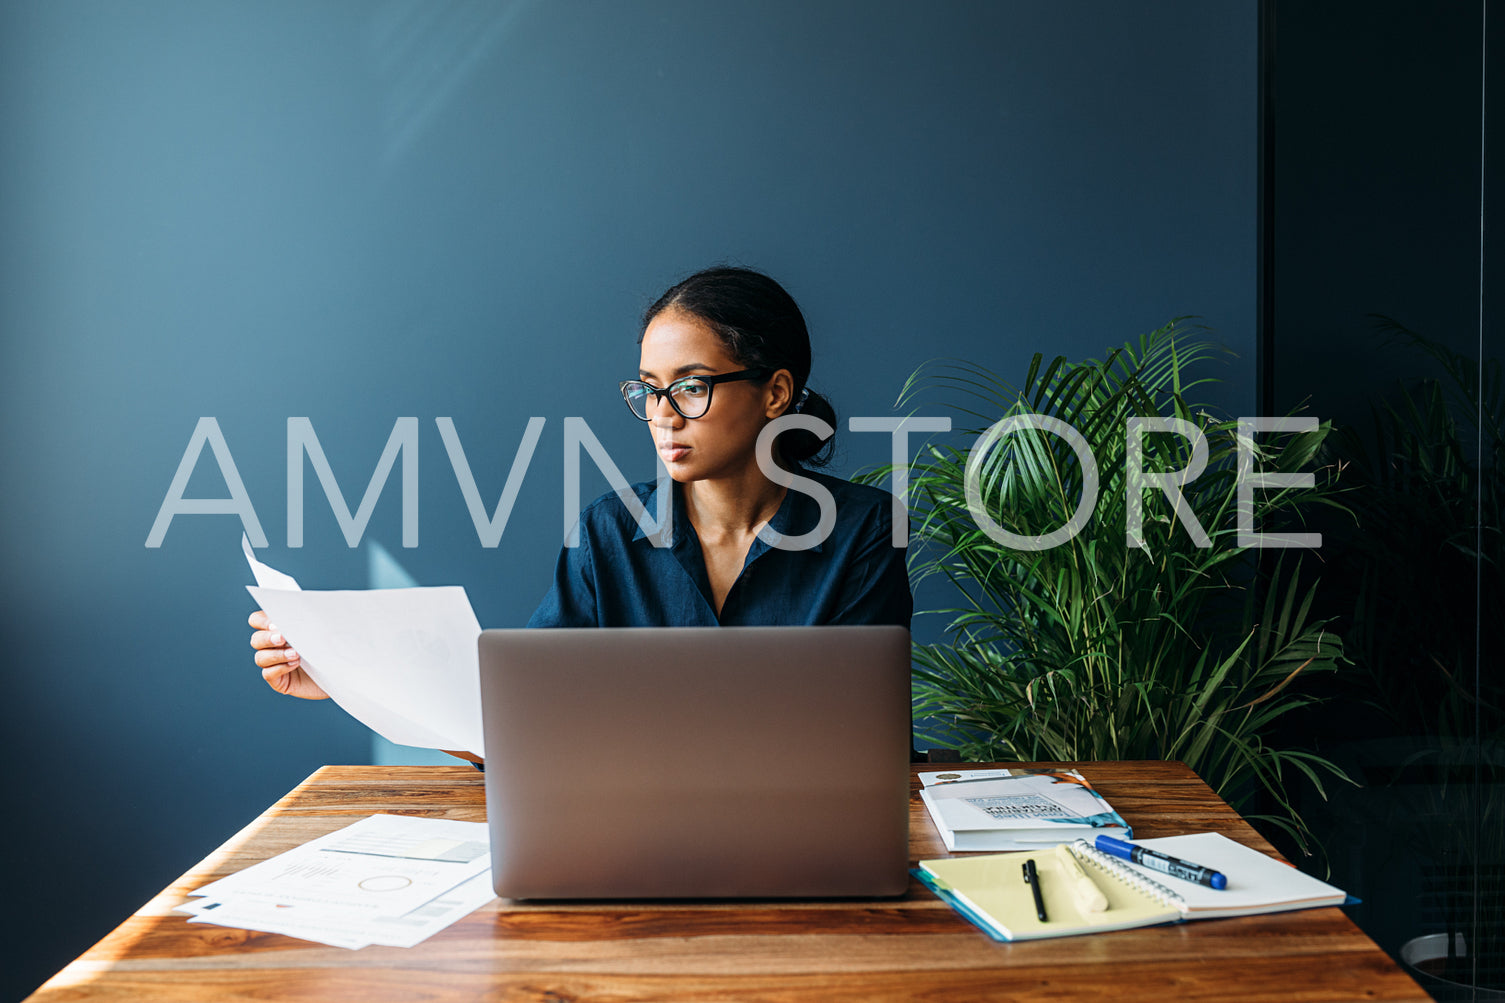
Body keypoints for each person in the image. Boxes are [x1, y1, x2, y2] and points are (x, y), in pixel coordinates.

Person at [249, 266, 912, 701]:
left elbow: (855, 737)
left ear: (774, 391)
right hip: (636, 836)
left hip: (802, 840)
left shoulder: (861, 532)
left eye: (690, 387)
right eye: (649, 391)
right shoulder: (609, 532)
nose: (661, 415)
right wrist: (342, 677)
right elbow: (520, 713)